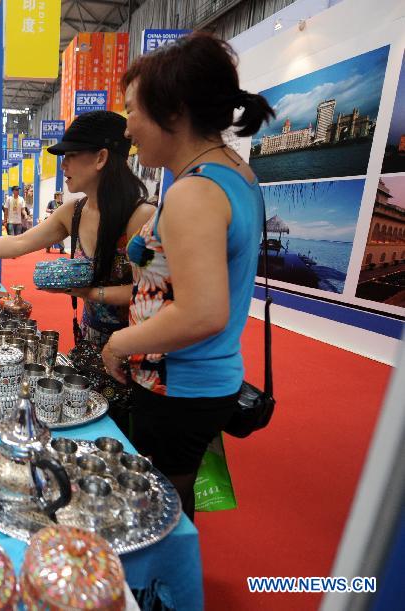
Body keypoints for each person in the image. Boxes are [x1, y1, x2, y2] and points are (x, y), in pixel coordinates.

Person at [100, 31, 275, 520]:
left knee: (164, 508)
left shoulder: (195, 193)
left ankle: (165, 592)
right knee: (170, 496)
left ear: (173, 111)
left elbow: (201, 312)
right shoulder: (232, 173)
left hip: (179, 384)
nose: (128, 129)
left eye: (133, 111)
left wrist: (119, 344)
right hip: (193, 380)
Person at [0, 111, 154, 429]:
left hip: (133, 351)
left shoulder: (142, 219)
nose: (62, 165)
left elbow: (152, 296)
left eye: (71, 155)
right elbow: (18, 243)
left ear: (101, 158)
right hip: (89, 348)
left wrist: (92, 293)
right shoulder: (73, 212)